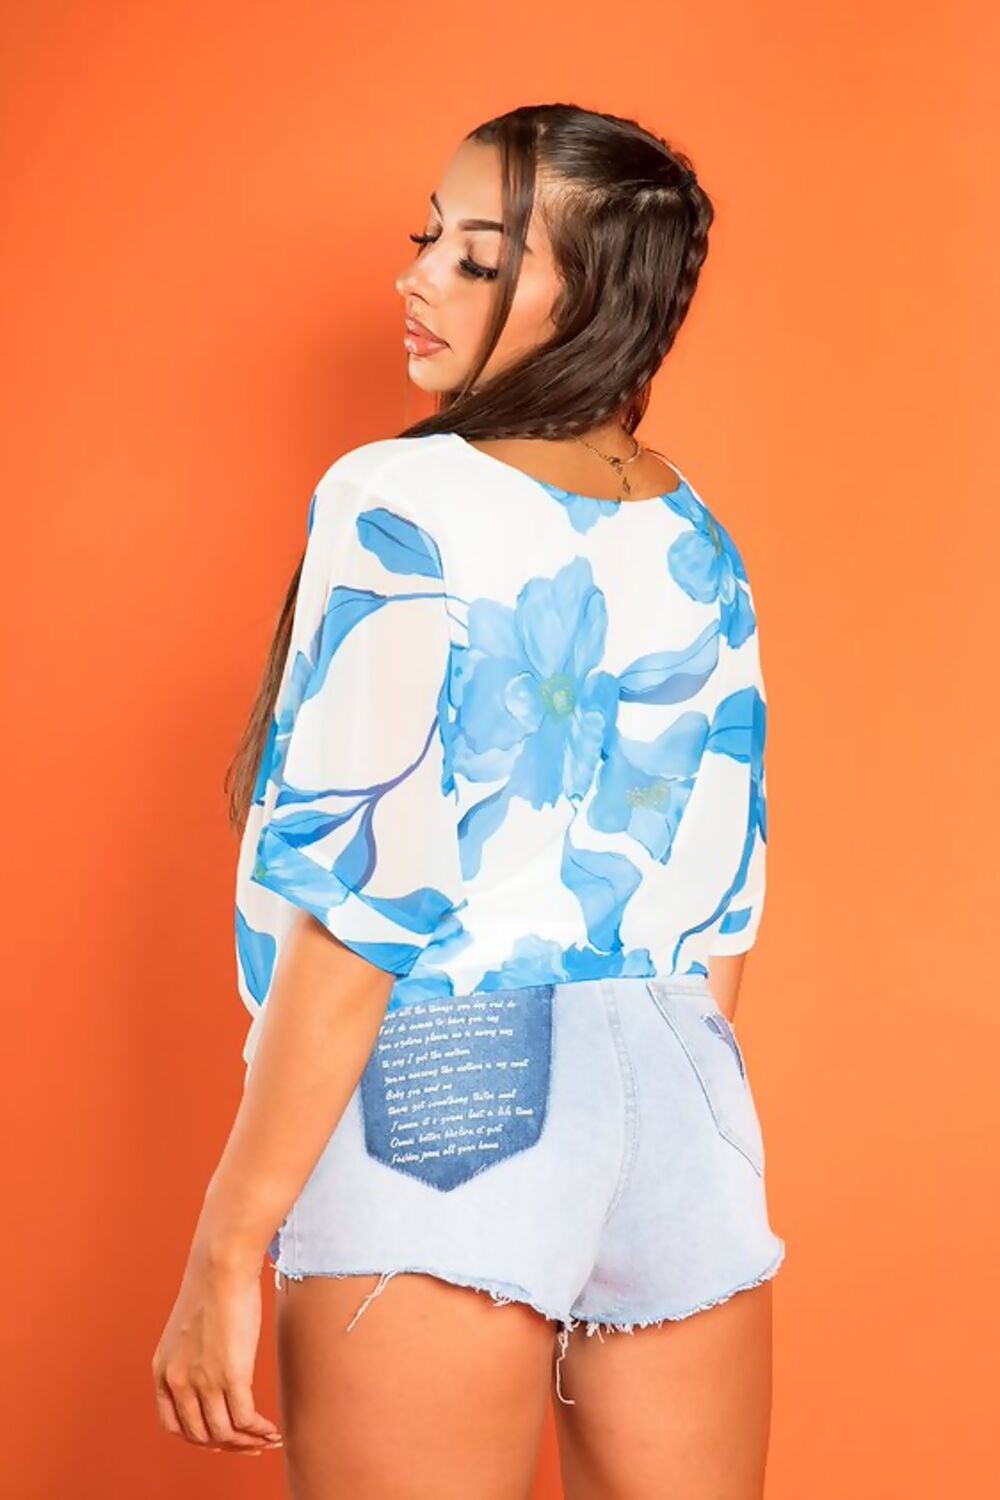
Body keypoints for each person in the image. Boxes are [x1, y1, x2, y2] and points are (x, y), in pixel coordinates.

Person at [152, 101, 786, 1499]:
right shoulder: (695, 530)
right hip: (681, 1094)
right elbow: (722, 904)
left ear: (596, 295)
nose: (420, 275)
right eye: (430, 239)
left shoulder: (399, 496)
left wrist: (228, 1242)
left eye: (479, 257)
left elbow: (367, 898)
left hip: (445, 1081)